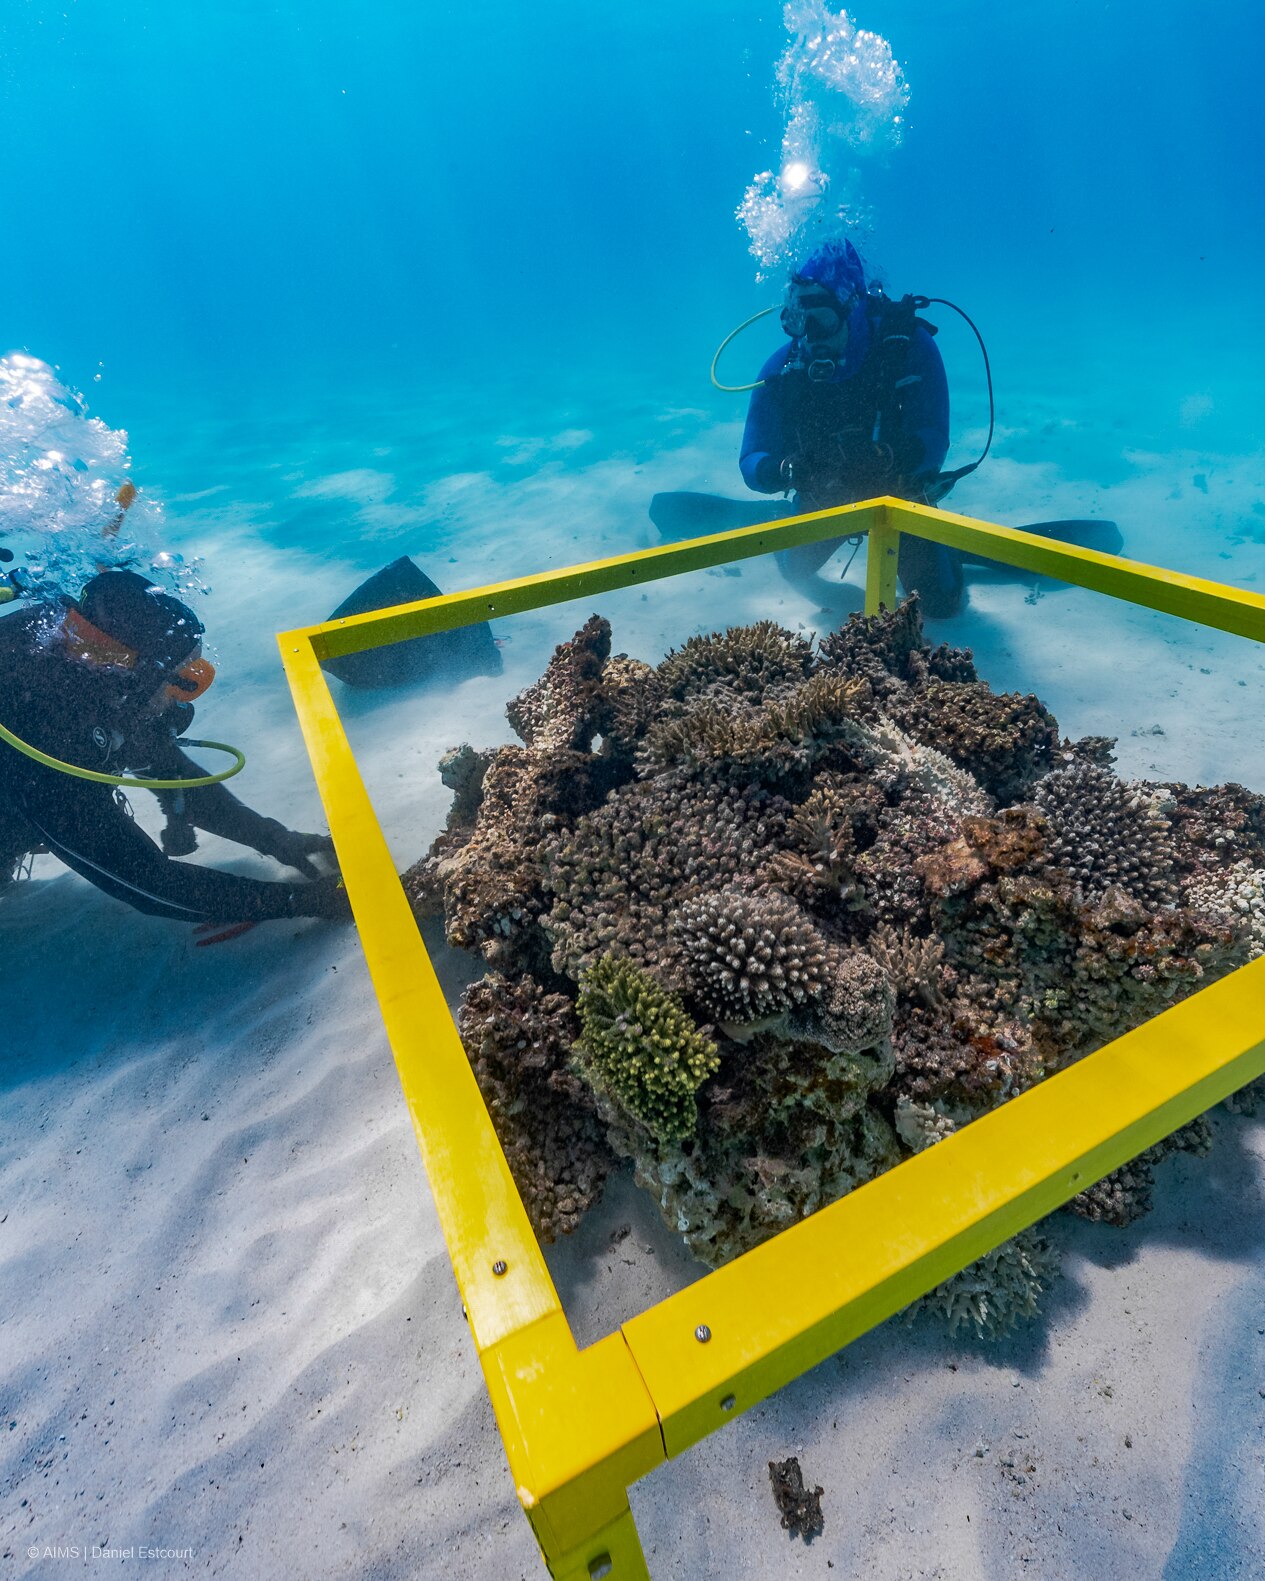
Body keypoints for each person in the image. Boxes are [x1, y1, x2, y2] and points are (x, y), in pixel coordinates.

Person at [0, 569, 347, 927]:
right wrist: (304, 901)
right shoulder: (39, 740)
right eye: (181, 680)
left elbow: (172, 772)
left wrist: (274, 839)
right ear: (133, 673)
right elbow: (147, 882)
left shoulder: (101, 684)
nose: (181, 699)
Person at [740, 237, 966, 617]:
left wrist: (889, 458)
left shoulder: (909, 347)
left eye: (822, 319)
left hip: (897, 499)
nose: (811, 337)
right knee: (794, 570)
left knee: (941, 603)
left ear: (853, 306)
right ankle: (781, 516)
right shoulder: (783, 370)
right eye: (799, 321)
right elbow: (751, 455)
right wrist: (784, 470)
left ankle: (947, 544)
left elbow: (934, 436)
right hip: (823, 500)